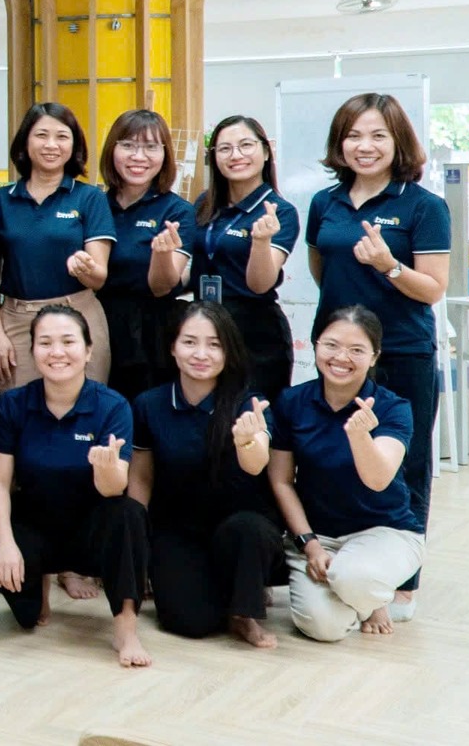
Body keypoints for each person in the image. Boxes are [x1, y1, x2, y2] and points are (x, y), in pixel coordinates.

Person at [303, 92, 448, 619]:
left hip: (402, 354)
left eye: (377, 136)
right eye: (354, 136)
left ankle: (403, 583)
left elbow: (433, 288)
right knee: (341, 458)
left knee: (405, 465)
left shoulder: (423, 206)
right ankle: (349, 560)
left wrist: (388, 266)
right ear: (340, 144)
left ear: (397, 142)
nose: (364, 146)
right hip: (339, 357)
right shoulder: (325, 202)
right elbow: (322, 269)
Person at [0, 305, 152, 668]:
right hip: (36, 522)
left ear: (88, 350)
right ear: (32, 351)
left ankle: (125, 625)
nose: (57, 352)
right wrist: (5, 542)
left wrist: (105, 469)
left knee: (129, 514)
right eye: (45, 343)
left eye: (68, 342)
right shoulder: (13, 404)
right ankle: (39, 582)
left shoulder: (112, 406)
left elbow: (115, 489)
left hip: (91, 529)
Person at [127, 302, 284, 647]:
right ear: (173, 347)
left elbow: (256, 464)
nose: (201, 354)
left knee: (249, 529)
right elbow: (140, 478)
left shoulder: (248, 403)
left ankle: (245, 614)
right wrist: (138, 547)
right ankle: (224, 594)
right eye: (189, 342)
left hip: (240, 525)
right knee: (190, 622)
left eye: (214, 345)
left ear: (228, 351)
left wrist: (247, 440)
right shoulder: (149, 405)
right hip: (179, 528)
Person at [268, 306, 425, 642]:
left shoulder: (393, 408)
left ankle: (369, 599)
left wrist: (359, 436)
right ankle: (361, 595)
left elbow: (378, 479)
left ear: (374, 356)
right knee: (323, 627)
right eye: (331, 345)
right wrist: (309, 544)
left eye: (356, 350)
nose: (341, 358)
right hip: (319, 536)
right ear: (316, 344)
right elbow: (281, 481)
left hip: (385, 532)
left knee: (354, 577)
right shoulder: (292, 401)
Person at [0, 102, 117, 387]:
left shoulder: (90, 198)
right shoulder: (1, 200)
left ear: (74, 144)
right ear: (25, 142)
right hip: (17, 322)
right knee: (19, 408)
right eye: (41, 135)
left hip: (78, 317)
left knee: (85, 406)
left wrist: (84, 268)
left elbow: (99, 277)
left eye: (62, 136)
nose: (51, 145)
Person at [193, 115, 299, 403]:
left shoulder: (279, 211)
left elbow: (260, 284)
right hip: (204, 326)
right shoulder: (204, 204)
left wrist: (261, 242)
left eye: (245, 145)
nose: (235, 155)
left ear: (265, 152)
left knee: (253, 418)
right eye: (225, 149)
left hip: (254, 332)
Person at [97, 109, 197, 401]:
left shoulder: (177, 211)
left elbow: (162, 286)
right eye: (128, 145)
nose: (138, 156)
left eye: (151, 147)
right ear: (112, 149)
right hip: (100, 325)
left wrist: (162, 255)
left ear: (165, 154)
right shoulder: (95, 204)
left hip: (154, 332)